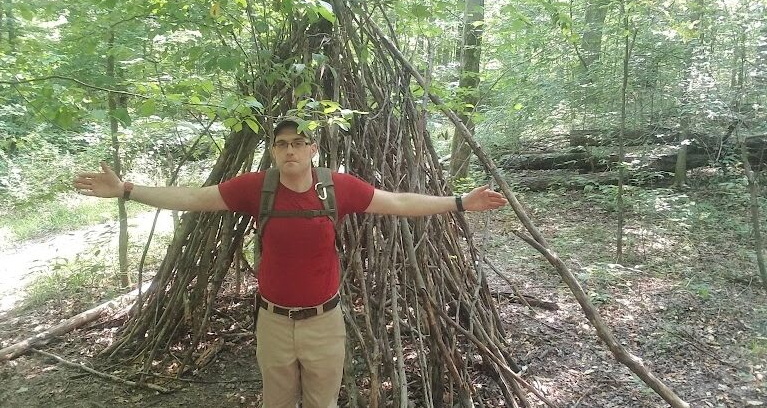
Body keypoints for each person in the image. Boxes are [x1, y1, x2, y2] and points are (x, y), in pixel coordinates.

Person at [74, 116, 508, 407]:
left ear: (312, 148)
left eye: (298, 142)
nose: (290, 151)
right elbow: (192, 197)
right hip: (274, 323)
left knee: (323, 402)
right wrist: (127, 189)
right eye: (281, 144)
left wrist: (459, 202)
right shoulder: (255, 188)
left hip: (324, 322)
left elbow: (395, 201)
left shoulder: (336, 187)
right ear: (273, 150)